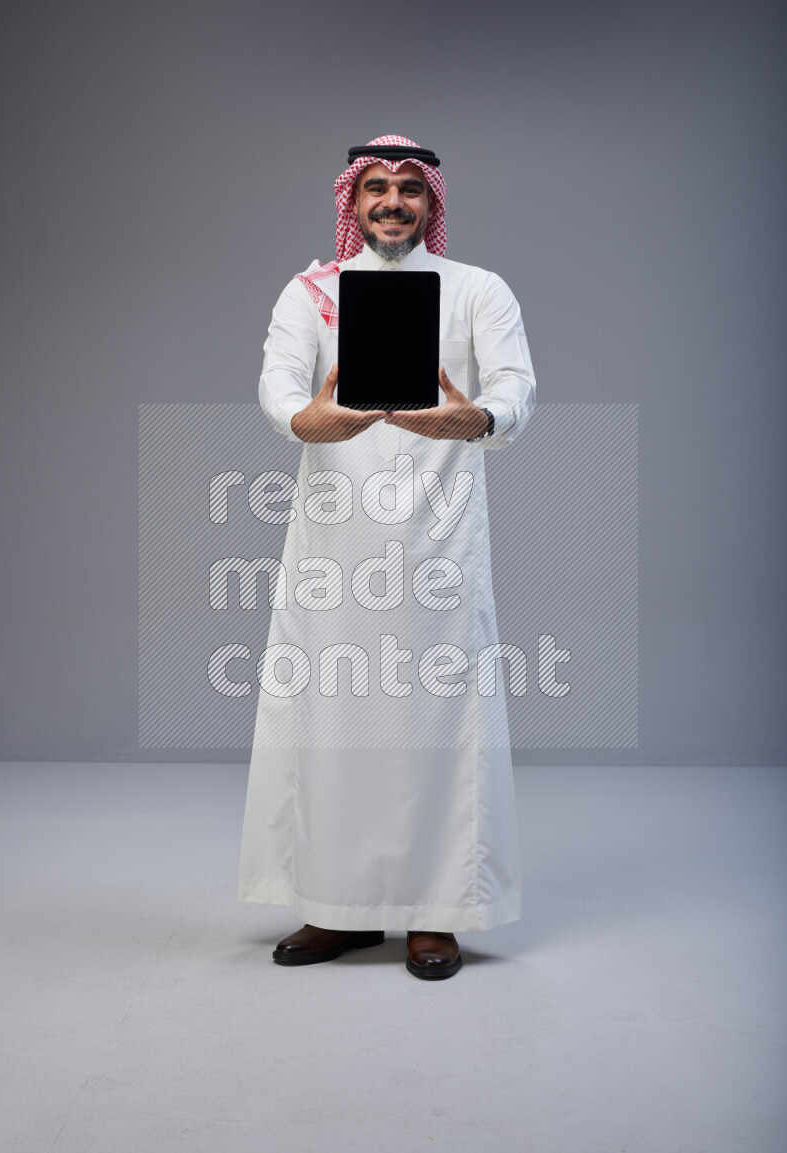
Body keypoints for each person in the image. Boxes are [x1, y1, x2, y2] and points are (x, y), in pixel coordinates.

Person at [238, 135, 536, 980]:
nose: (393, 201)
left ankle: (434, 915)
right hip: (335, 539)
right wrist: (305, 421)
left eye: (410, 188)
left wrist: (475, 420)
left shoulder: (478, 290)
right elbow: (279, 381)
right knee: (331, 719)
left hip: (440, 538)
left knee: (438, 720)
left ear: (432, 203)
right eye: (376, 187)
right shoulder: (314, 292)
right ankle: (335, 908)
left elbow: (516, 384)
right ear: (353, 200)